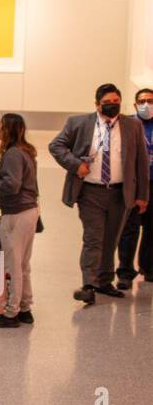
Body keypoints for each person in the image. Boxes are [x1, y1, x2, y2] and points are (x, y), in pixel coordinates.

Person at [48, 83, 150, 305]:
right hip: (90, 192)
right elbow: (56, 146)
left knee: (111, 239)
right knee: (93, 238)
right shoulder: (79, 123)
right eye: (107, 103)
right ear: (96, 104)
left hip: (120, 193)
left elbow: (141, 162)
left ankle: (104, 281)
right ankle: (88, 284)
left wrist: (142, 195)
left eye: (116, 102)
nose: (113, 106)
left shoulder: (132, 126)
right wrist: (75, 165)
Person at [0, 114, 40, 328]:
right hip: (30, 211)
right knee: (23, 264)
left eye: (0, 125)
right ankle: (25, 308)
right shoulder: (27, 151)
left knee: (13, 264)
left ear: (7, 129)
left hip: (16, 213)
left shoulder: (13, 154)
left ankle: (10, 313)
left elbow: (12, 184)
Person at [117, 87, 153, 288]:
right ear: (135, 104)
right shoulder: (127, 125)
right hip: (133, 184)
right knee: (129, 229)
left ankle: (148, 268)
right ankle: (125, 271)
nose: (146, 105)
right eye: (142, 101)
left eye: (150, 100)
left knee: (151, 229)